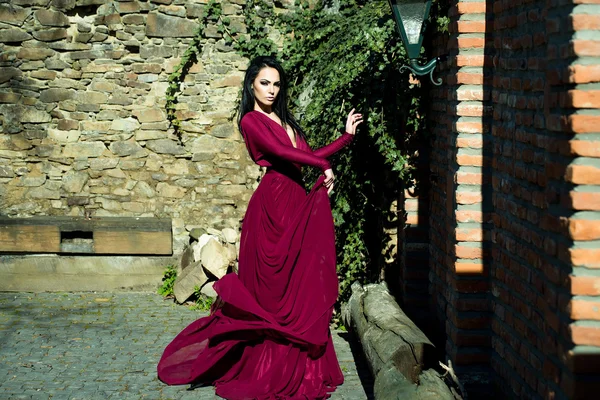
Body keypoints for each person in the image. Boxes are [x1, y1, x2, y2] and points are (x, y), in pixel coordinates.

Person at [157, 56, 363, 399]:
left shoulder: (285, 119)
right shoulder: (251, 121)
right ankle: (266, 366)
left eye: (277, 84)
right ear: (252, 83)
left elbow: (306, 155)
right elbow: (284, 153)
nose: (271, 89)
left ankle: (301, 365)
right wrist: (323, 166)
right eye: (265, 82)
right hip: (272, 211)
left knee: (303, 283)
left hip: (297, 203)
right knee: (273, 292)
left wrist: (345, 138)